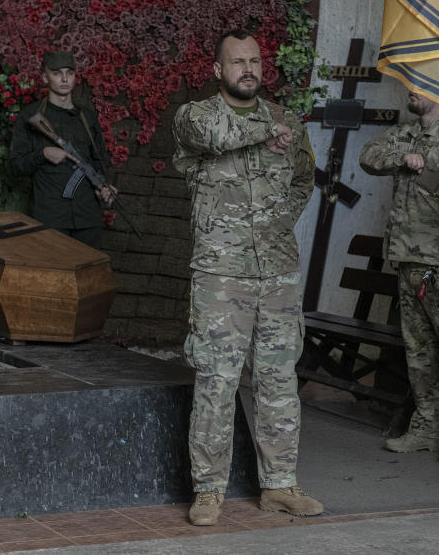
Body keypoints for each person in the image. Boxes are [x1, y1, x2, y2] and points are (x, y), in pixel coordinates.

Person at [172, 29, 321, 526]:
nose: (248, 69)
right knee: (217, 382)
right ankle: (209, 491)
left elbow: (304, 177)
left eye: (255, 60)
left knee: (279, 381)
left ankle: (280, 485)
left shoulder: (287, 121)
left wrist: (281, 219)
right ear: (218, 70)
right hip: (221, 274)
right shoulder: (195, 117)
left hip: (277, 272)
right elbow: (215, 140)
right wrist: (263, 131)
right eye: (237, 62)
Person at [360, 92, 439, 464]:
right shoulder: (408, 132)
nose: (409, 91)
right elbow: (368, 155)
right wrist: (400, 157)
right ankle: (429, 427)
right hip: (408, 260)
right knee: (420, 355)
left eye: (419, 83)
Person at [9, 51, 115, 249]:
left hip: (87, 217)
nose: (65, 79)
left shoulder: (87, 117)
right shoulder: (30, 116)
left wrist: (105, 186)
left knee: (89, 275)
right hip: (51, 217)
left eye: (70, 73)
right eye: (57, 73)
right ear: (44, 77)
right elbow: (16, 166)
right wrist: (42, 154)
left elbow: (100, 161)